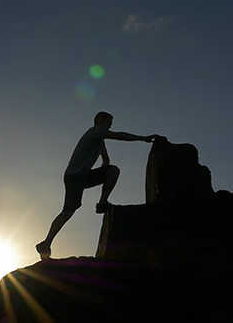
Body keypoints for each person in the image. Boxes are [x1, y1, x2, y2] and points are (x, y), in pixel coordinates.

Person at [35, 111, 161, 260]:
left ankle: (101, 203)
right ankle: (46, 243)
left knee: (113, 171)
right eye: (108, 123)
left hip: (83, 176)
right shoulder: (95, 131)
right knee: (69, 210)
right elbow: (119, 136)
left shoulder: (99, 141)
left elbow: (106, 161)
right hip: (74, 177)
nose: (109, 127)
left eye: (110, 125)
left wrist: (104, 169)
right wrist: (142, 138)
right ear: (99, 120)